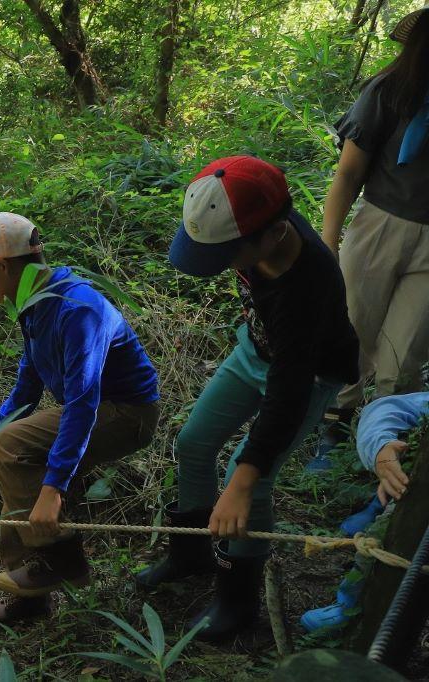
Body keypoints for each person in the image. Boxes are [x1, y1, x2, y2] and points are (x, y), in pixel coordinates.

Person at [134, 156, 360, 641]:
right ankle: (189, 554)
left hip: (310, 376)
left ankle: (238, 602)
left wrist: (241, 478)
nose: (221, 265)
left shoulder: (306, 287)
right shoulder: (257, 214)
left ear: (276, 234)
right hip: (253, 352)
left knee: (250, 480)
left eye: (226, 253)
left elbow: (288, 393)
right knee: (193, 443)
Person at [0, 212, 161, 626]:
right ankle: (31, 598)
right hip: (95, 409)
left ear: (2, 266)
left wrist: (53, 487)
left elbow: (83, 400)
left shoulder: (76, 308)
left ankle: (59, 557)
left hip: (127, 413)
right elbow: (29, 380)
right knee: (10, 466)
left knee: (14, 452)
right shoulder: (36, 303)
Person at [311, 3, 429, 471]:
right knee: (354, 326)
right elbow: (348, 173)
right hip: (379, 225)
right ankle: (335, 424)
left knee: (407, 348)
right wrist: (329, 239)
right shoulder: (390, 92)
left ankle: (386, 443)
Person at [300, 391, 428, 632]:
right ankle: (349, 605)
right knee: (380, 541)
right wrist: (380, 448)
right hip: (415, 511)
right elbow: (387, 408)